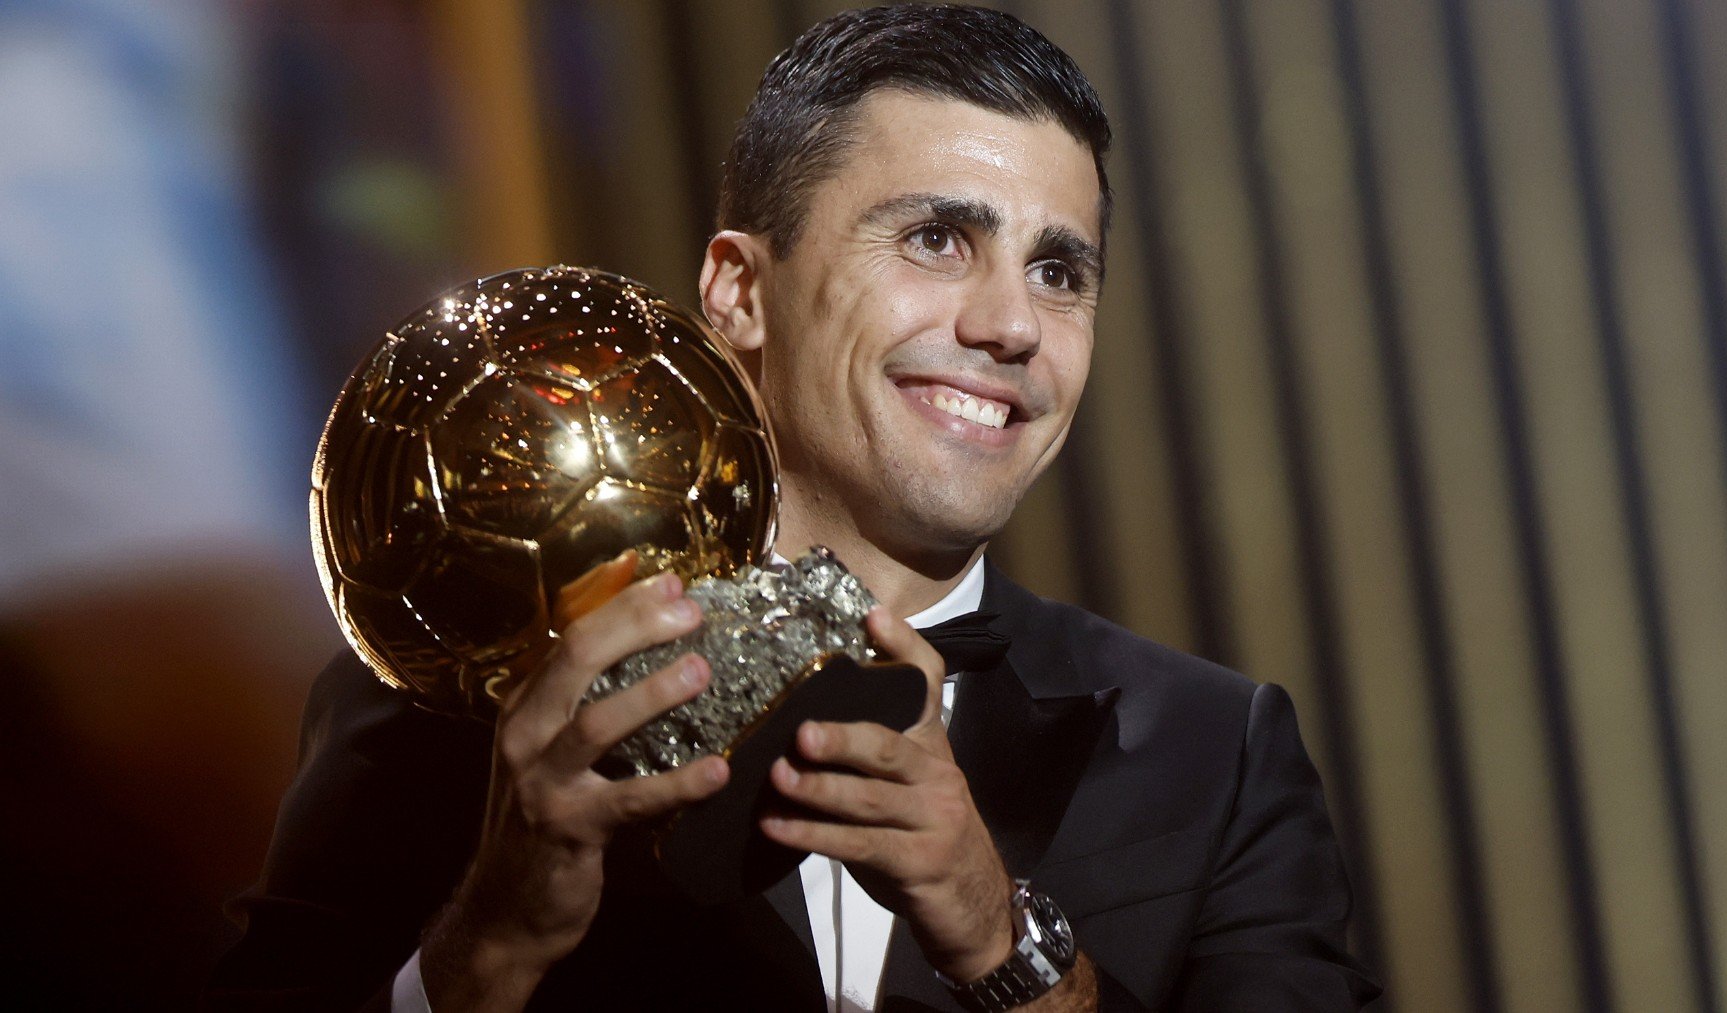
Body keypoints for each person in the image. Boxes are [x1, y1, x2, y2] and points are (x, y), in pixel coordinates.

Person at [209, 6, 1379, 1011]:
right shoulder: (464, 698)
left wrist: (1000, 938)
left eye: (1059, 271)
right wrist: (490, 942)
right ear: (738, 292)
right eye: (937, 238)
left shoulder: (1215, 754)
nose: (1012, 325)